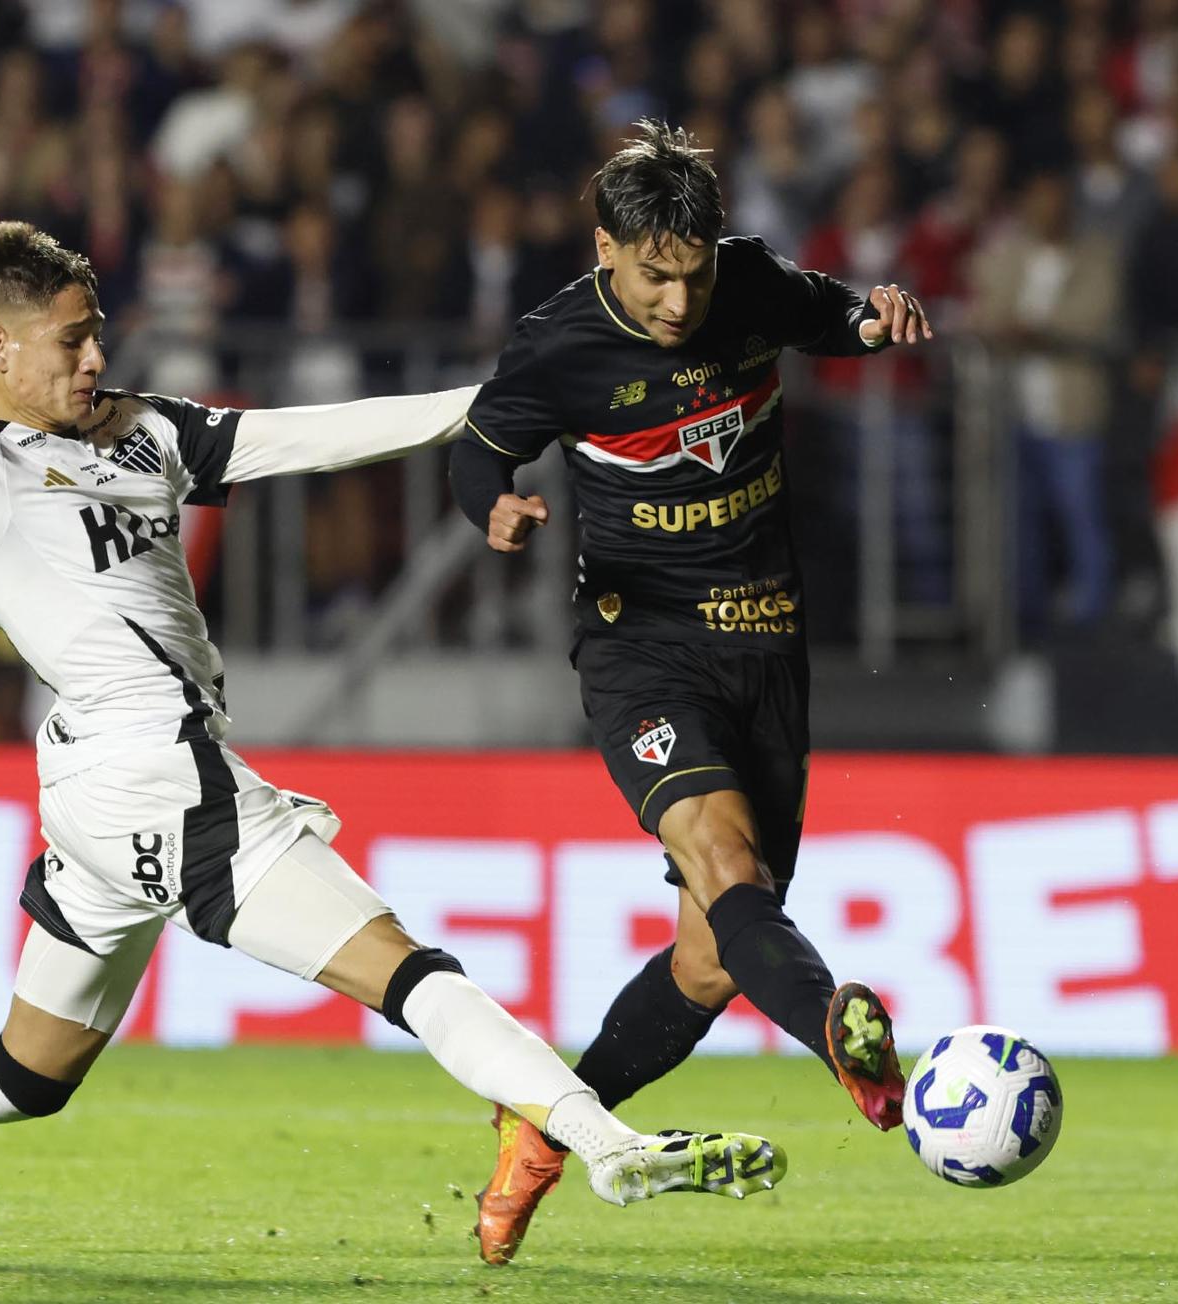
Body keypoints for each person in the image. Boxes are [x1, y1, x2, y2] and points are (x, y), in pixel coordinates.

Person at [0, 221, 783, 1253]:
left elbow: (309, 434)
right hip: (156, 775)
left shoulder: (144, 432)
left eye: (98, 331)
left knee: (23, 1072)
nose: (97, 355)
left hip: (103, 791)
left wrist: (500, 406)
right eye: (71, 339)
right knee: (407, 969)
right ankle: (605, 1140)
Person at [447, 122, 928, 1266]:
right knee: (725, 859)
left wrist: (877, 318)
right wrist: (493, 507)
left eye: (694, 273)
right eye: (654, 275)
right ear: (605, 250)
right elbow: (478, 449)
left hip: (767, 642)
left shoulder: (749, 282)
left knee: (711, 958)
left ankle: (543, 1127)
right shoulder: (560, 344)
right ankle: (840, 1034)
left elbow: (833, 317)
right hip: (641, 646)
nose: (677, 300)